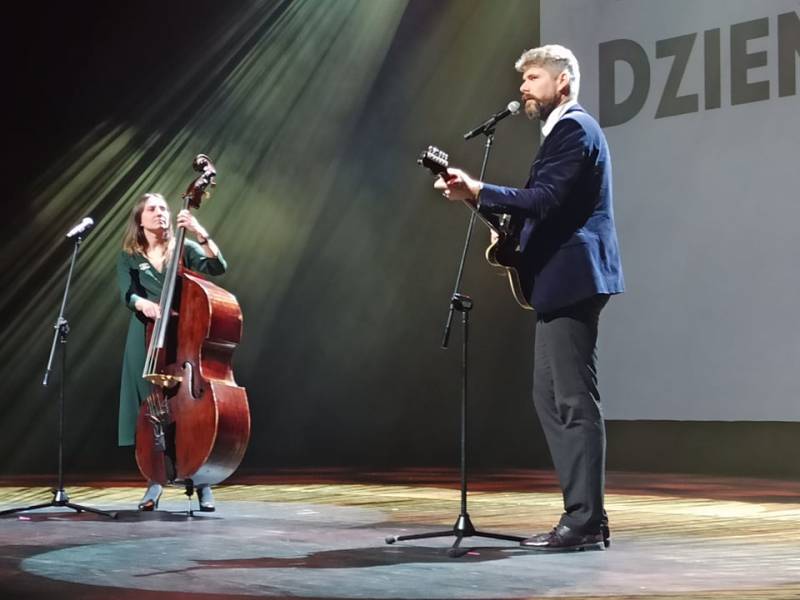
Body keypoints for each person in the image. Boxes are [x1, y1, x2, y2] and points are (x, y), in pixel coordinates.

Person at [436, 45, 624, 551]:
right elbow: (542, 209)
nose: (522, 88)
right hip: (559, 282)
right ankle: (587, 515)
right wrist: (480, 202)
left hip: (574, 277)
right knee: (551, 398)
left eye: (533, 77)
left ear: (563, 82)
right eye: (522, 79)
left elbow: (545, 200)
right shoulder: (561, 133)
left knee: (573, 400)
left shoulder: (575, 129)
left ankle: (585, 521)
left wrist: (480, 189)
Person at [116, 192, 227, 511]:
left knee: (190, 409)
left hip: (185, 334)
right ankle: (155, 480)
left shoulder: (183, 248)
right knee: (151, 406)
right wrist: (143, 304)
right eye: (152, 209)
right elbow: (127, 293)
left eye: (163, 208)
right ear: (140, 219)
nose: (160, 213)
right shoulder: (129, 255)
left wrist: (199, 232)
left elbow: (218, 266)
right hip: (146, 335)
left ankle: (202, 481)